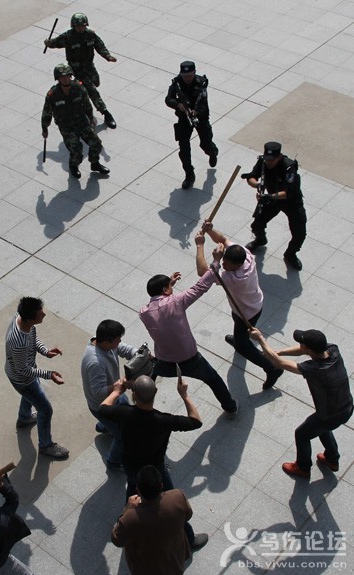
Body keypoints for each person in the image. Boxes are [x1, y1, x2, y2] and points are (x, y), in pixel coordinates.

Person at [99, 376, 207, 551]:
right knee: (172, 502)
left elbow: (102, 409)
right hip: (156, 470)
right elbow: (196, 421)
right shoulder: (163, 420)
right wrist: (184, 395)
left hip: (131, 468)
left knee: (132, 492)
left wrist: (117, 391)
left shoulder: (125, 413)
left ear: (134, 395)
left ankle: (126, 523)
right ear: (155, 392)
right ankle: (189, 538)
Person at [249, 328, 353, 478]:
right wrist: (278, 352)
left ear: (309, 349)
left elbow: (279, 363)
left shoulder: (314, 369)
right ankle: (332, 459)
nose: (300, 345)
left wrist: (260, 339)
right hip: (346, 406)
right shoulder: (332, 350)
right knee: (322, 428)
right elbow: (301, 351)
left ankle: (303, 468)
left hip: (330, 415)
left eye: (302, 344)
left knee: (302, 434)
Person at [139, 266, 238, 416]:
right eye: (169, 287)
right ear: (165, 290)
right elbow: (200, 287)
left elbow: (160, 303)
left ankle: (141, 401)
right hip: (191, 360)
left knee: (150, 375)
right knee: (213, 379)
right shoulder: (176, 301)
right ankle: (230, 407)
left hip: (164, 362)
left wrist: (168, 285)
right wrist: (215, 264)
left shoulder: (143, 313)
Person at [195, 221, 283, 390]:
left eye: (227, 265)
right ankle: (238, 338)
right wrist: (211, 230)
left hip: (246, 312)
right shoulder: (245, 254)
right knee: (238, 327)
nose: (224, 266)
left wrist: (201, 246)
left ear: (236, 265)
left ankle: (272, 368)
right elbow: (223, 239)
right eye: (223, 262)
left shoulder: (235, 278)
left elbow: (203, 273)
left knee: (243, 346)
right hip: (253, 303)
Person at [5, 296, 69, 459]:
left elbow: (32, 335)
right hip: (23, 379)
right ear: (29, 318)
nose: (44, 314)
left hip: (26, 373)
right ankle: (45, 445)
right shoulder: (18, 342)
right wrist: (49, 374)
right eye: (40, 313)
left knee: (30, 395)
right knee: (45, 410)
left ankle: (24, 418)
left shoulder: (20, 318)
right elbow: (23, 369)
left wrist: (45, 351)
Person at [111, 465, 207, 574]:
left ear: (138, 490)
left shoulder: (130, 519)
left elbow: (116, 539)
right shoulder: (177, 496)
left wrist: (127, 508)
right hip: (175, 561)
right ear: (161, 485)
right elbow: (188, 515)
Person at [81, 319, 138, 470]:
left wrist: (138, 354)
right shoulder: (95, 362)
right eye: (118, 340)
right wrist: (120, 386)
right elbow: (98, 393)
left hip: (116, 395)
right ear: (107, 342)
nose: (120, 342)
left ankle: (104, 427)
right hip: (102, 405)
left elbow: (124, 348)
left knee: (123, 414)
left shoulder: (103, 343)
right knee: (123, 435)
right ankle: (114, 462)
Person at [44, 13, 117, 128]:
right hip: (77, 70)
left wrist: (108, 56)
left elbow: (100, 46)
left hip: (89, 67)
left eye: (82, 26)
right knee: (91, 90)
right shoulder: (68, 37)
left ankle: (85, 100)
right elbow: (55, 43)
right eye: (78, 26)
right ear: (73, 26)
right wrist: (48, 43)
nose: (80, 28)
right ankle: (105, 113)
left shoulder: (90, 35)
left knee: (96, 83)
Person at [243, 141, 307, 271]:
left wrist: (270, 196)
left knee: (299, 233)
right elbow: (251, 177)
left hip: (291, 201)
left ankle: (290, 254)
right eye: (267, 159)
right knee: (257, 225)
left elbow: (288, 192)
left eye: (271, 160)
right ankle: (260, 240)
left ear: (279, 157)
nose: (268, 162)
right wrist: (258, 185)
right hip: (272, 199)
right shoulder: (263, 162)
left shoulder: (289, 168)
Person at [41, 63, 109, 179]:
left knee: (96, 143)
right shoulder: (53, 94)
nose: (65, 79)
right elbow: (47, 112)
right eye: (62, 77)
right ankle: (73, 165)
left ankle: (95, 163)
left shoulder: (78, 87)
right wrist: (45, 128)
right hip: (66, 127)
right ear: (58, 78)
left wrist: (91, 117)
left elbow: (86, 103)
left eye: (67, 76)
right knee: (76, 150)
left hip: (81, 122)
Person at [165, 60, 219, 189]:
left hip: (200, 117)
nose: (187, 78)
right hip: (184, 118)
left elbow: (203, 103)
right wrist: (179, 105)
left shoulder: (201, 83)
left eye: (190, 75)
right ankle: (189, 174)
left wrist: (196, 111)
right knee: (183, 148)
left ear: (194, 72)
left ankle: (213, 153)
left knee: (206, 143)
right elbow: (168, 99)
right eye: (185, 76)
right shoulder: (177, 83)